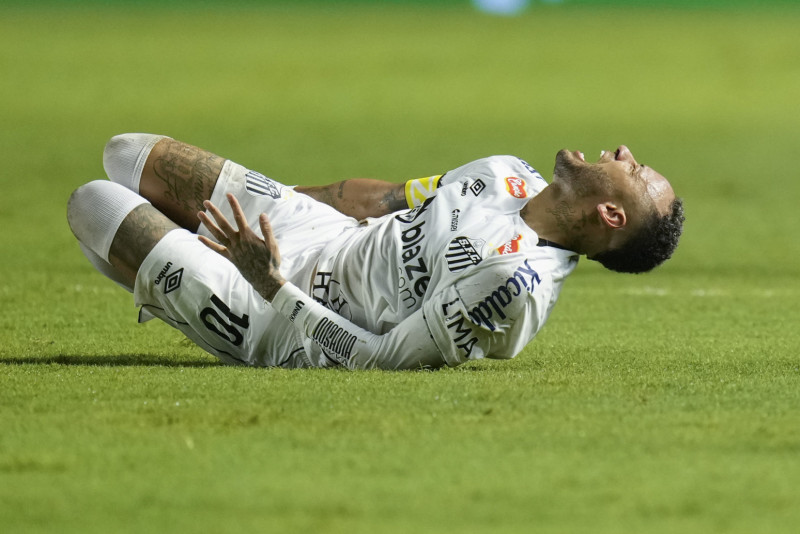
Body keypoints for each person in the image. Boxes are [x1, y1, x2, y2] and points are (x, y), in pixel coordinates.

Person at [67, 134, 684, 369]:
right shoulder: (507, 173)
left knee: (94, 203)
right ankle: (173, 271)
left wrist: (269, 280)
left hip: (283, 318)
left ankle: (182, 292)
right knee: (127, 154)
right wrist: (275, 202)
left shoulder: (512, 283)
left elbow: (379, 357)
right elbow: (385, 199)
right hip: (323, 234)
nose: (624, 152)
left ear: (611, 214)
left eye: (634, 169)